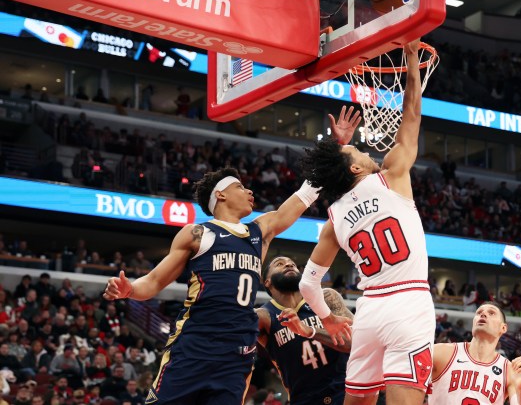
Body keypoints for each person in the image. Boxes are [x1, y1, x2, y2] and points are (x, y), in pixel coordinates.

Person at [102, 128, 359, 405]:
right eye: (239, 186)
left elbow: (302, 197)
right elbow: (152, 282)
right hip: (195, 344)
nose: (249, 190)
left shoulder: (260, 231)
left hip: (236, 354)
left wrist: (333, 148)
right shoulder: (197, 233)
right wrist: (129, 289)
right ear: (220, 196)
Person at [299, 40, 434, 405]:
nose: (365, 150)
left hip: (369, 311)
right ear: (355, 168)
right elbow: (412, 114)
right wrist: (410, 60)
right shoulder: (392, 174)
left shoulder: (334, 216)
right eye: (358, 151)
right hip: (408, 302)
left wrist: (328, 318)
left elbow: (308, 284)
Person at [257, 256, 352, 405]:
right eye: (279, 264)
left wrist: (308, 330)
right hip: (304, 399)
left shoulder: (326, 297)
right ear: (266, 281)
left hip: (346, 391)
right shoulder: (264, 317)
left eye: (292, 264)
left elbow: (354, 344)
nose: (288, 265)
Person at [428, 302, 521, 405]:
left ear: (503, 328)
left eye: (491, 313)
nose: (483, 314)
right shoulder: (442, 352)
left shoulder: (509, 370)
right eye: (479, 313)